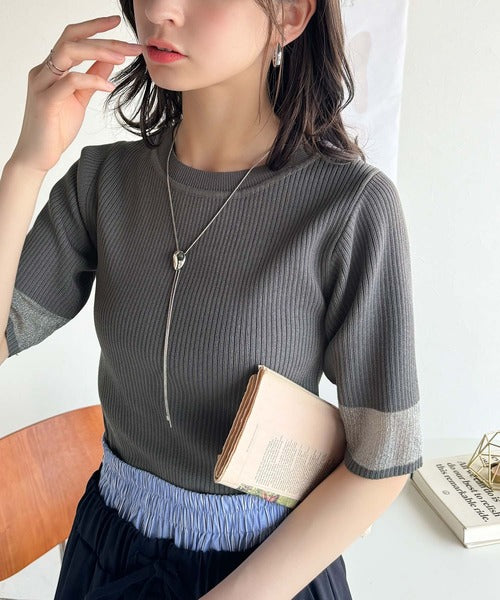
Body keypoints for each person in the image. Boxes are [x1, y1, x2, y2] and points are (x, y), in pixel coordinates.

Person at [0, 0, 423, 598]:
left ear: (290, 16)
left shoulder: (349, 207)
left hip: (264, 573)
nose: (158, 9)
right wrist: (26, 164)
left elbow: (383, 461)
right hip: (106, 554)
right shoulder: (104, 182)